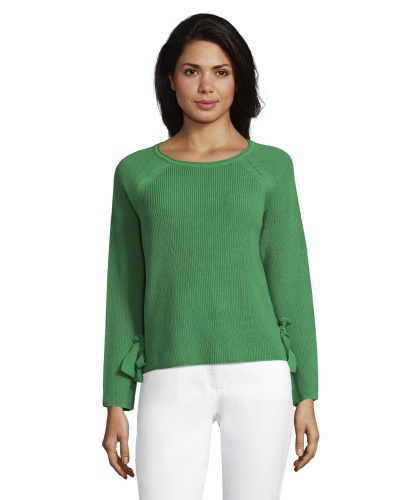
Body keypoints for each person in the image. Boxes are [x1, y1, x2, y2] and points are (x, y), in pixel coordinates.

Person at [101, 12, 320, 500]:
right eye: (191, 70)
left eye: (221, 71)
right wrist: (116, 400)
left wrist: (306, 392)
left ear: (238, 80)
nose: (206, 86)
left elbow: (290, 279)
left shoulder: (272, 168)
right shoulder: (136, 173)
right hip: (169, 372)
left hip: (261, 375)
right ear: (170, 80)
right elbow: (124, 287)